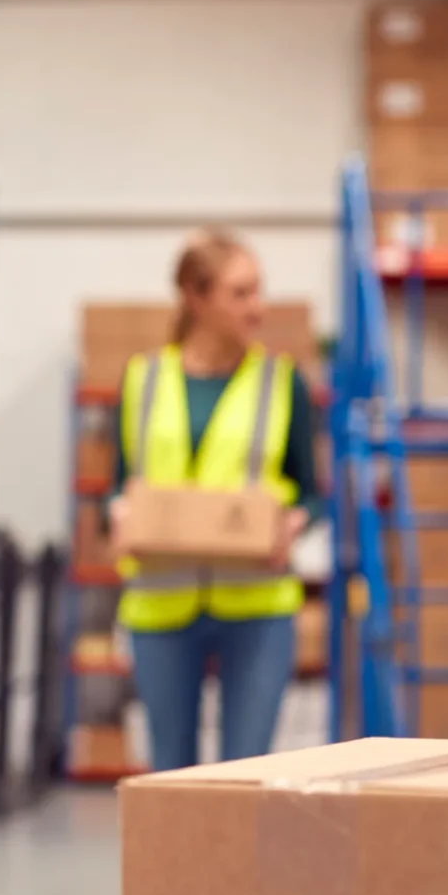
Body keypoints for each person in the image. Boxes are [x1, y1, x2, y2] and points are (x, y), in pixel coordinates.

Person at [108, 229, 319, 771]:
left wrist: (293, 524)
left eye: (258, 291)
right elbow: (119, 482)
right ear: (195, 298)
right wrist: (118, 513)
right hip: (161, 602)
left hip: (256, 605)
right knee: (171, 778)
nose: (258, 307)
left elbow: (313, 493)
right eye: (240, 293)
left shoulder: (281, 381)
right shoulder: (142, 379)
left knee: (244, 779)